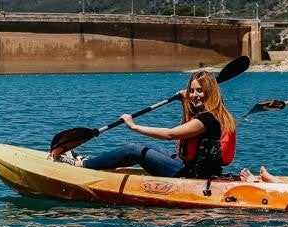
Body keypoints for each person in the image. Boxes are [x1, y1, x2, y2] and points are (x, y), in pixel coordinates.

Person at [55, 70, 237, 179]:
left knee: (133, 149)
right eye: (192, 90)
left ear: (210, 92)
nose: (195, 95)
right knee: (150, 147)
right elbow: (191, 129)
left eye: (200, 91)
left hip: (192, 176)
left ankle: (83, 166)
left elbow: (171, 134)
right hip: (197, 168)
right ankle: (98, 162)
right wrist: (184, 102)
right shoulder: (214, 113)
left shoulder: (207, 119)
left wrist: (134, 126)